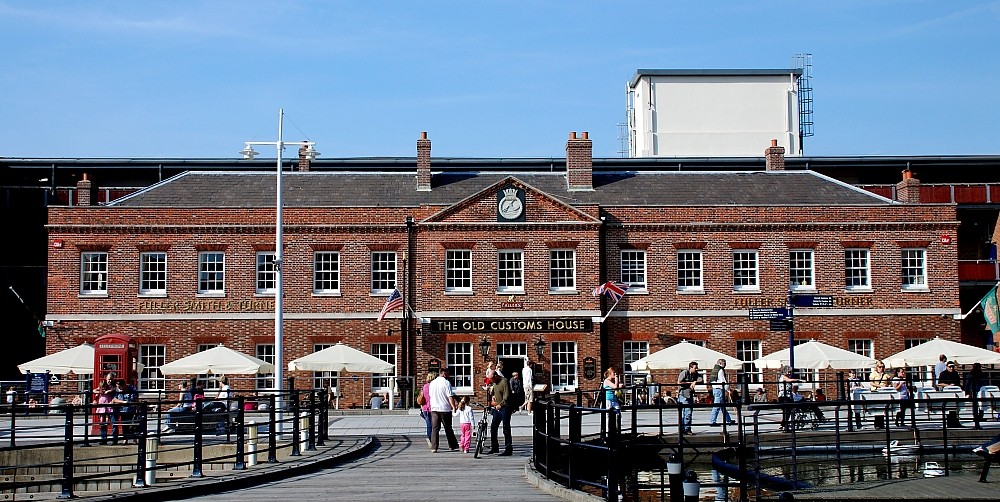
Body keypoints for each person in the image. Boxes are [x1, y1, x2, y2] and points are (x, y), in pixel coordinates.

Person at [428, 369, 459, 453]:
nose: (449, 375)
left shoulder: (432, 383)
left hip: (434, 408)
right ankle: (452, 445)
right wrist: (453, 406)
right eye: (448, 374)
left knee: (435, 428)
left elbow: (430, 395)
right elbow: (450, 396)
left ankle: (434, 447)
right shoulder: (446, 383)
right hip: (445, 408)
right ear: (444, 373)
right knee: (448, 427)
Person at [487, 371, 513, 456]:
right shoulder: (494, 383)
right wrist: (493, 397)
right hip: (497, 408)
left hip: (505, 408)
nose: (491, 381)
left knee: (506, 428)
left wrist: (500, 405)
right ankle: (494, 447)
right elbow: (495, 393)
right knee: (493, 427)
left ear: (496, 376)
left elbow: (507, 397)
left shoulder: (504, 381)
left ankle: (508, 449)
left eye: (492, 379)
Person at [708, 359, 735, 426]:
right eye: (724, 363)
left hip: (715, 389)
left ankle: (728, 420)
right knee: (717, 406)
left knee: (723, 406)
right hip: (719, 389)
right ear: (720, 363)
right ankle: (712, 421)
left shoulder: (715, 369)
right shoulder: (720, 370)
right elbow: (723, 381)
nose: (725, 365)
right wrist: (728, 390)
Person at [677, 361, 702, 434]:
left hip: (690, 394)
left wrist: (695, 382)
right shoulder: (684, 372)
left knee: (688, 412)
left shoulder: (696, 374)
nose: (696, 369)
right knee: (687, 412)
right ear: (690, 368)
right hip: (683, 394)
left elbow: (701, 379)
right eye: (695, 368)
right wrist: (690, 383)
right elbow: (679, 382)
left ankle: (685, 428)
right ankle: (686, 429)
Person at [112, 379, 138, 443]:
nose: (119, 388)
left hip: (131, 409)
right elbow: (114, 400)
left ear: (124, 385)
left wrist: (137, 408)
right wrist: (123, 402)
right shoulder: (117, 390)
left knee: (133, 425)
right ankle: (125, 439)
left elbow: (136, 399)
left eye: (120, 387)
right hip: (122, 410)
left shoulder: (132, 389)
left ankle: (134, 439)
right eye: (117, 387)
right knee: (124, 425)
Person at [777, 366, 802, 432]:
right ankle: (784, 425)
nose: (789, 373)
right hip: (783, 396)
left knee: (788, 411)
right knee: (787, 411)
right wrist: (798, 380)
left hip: (788, 396)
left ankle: (784, 425)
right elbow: (788, 380)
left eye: (790, 372)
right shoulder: (783, 377)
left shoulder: (786, 377)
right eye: (788, 372)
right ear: (784, 372)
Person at [419, 371, 435, 448]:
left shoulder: (424, 386)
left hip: (424, 407)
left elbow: (421, 397)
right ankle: (430, 438)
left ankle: (429, 438)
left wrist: (421, 408)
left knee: (428, 424)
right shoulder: (434, 386)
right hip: (432, 408)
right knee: (434, 425)